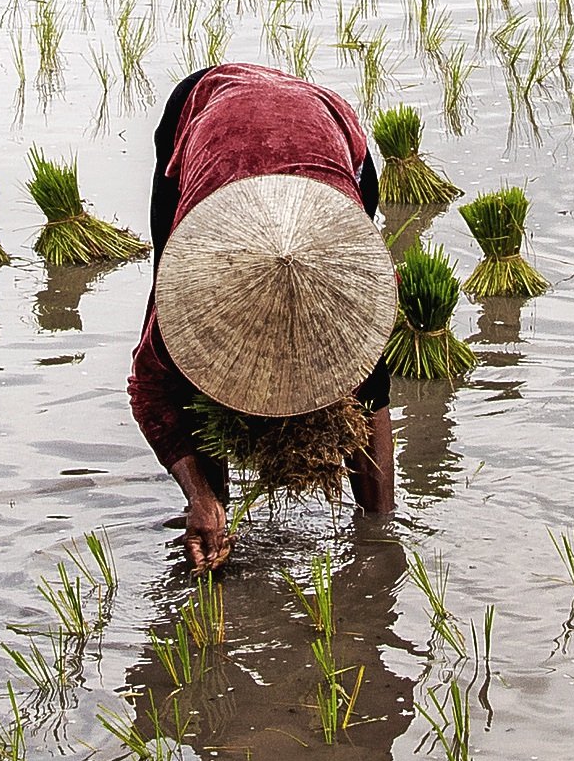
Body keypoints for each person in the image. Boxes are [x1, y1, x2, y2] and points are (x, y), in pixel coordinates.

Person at [128, 64, 401, 574]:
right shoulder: (192, 283)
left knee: (358, 358)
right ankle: (213, 515)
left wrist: (380, 536)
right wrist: (200, 495)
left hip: (324, 119)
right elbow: (151, 390)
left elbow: (371, 375)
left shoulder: (358, 282)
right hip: (208, 110)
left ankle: (378, 511)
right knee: (187, 371)